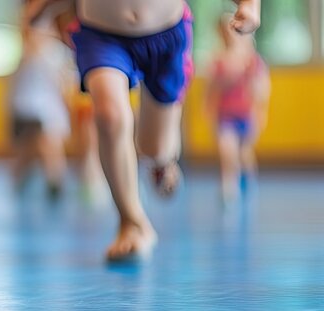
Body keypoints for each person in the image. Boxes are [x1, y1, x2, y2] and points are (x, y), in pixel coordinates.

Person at [50, 0, 261, 261]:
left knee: (154, 147)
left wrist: (249, 5)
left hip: (166, 34)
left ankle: (164, 160)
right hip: (99, 32)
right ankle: (131, 222)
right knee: (109, 115)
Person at [10, 1, 73, 198]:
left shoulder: (57, 53)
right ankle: (24, 179)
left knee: (49, 145)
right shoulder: (28, 53)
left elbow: (64, 84)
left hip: (48, 110)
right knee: (27, 152)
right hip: (28, 107)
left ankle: (55, 181)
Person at [207, 14, 269, 206]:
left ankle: (247, 181)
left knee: (244, 154)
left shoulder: (253, 60)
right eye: (224, 32)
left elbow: (262, 90)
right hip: (225, 116)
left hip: (246, 114)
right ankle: (228, 187)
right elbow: (211, 90)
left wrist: (259, 111)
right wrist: (208, 110)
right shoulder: (218, 61)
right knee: (227, 152)